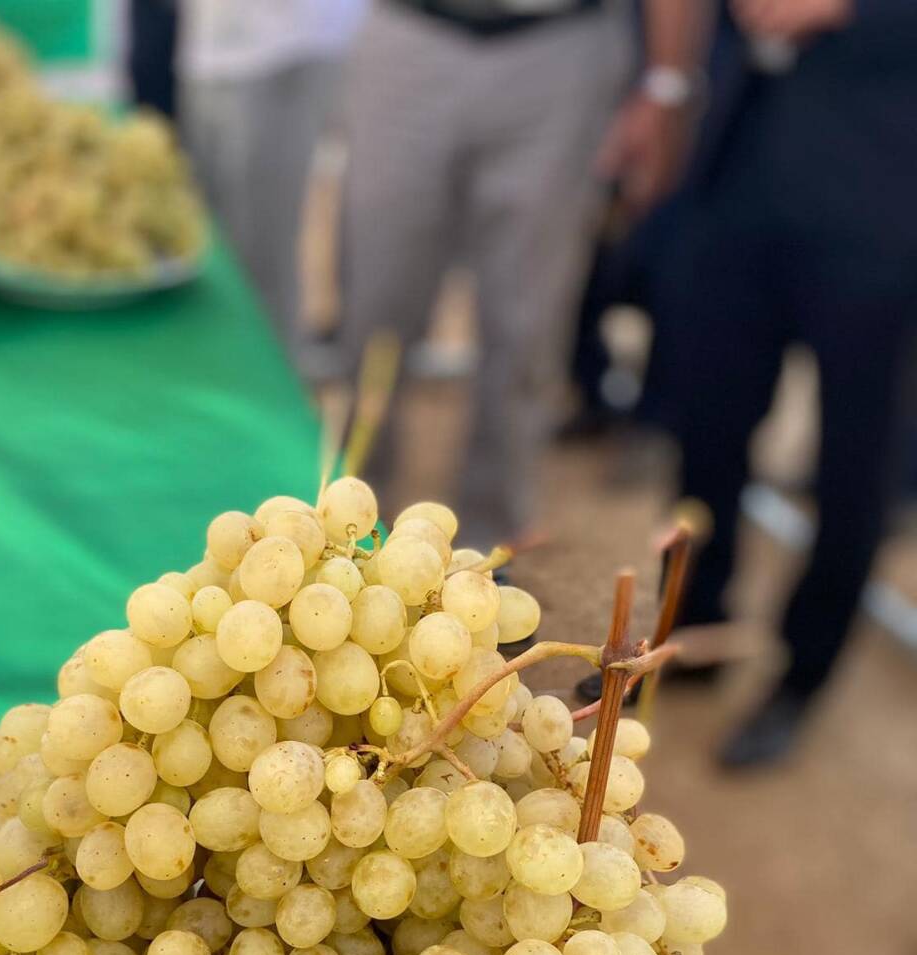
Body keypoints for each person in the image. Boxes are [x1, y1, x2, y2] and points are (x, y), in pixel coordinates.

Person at [335, 0, 708, 547]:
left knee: (527, 322)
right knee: (376, 301)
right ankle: (345, 520)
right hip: (411, 33)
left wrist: (667, 83)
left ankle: (491, 543)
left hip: (560, 49)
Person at [656, 0, 917, 767]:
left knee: (854, 459)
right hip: (744, 162)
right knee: (706, 423)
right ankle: (694, 629)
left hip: (883, 194)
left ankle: (803, 674)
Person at [176, 1, 366, 349]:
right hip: (214, 47)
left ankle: (268, 369)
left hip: (281, 50)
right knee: (210, 249)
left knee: (261, 262)